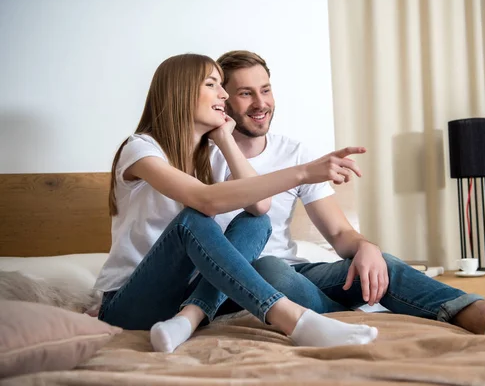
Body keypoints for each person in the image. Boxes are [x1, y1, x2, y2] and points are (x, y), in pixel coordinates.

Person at [210, 50, 485, 338]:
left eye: (266, 89)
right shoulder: (200, 156)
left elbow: (338, 234)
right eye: (246, 93)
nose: (261, 102)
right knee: (268, 266)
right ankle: (350, 313)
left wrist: (367, 248)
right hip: (231, 286)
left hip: (297, 275)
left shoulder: (295, 153)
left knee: (384, 264)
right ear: (224, 100)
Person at [93, 53, 379, 354]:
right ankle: (293, 319)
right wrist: (303, 173)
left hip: (180, 301)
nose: (224, 94)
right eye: (212, 84)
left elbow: (261, 206)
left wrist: (225, 141)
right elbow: (204, 200)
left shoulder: (212, 157)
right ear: (181, 90)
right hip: (130, 303)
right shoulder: (140, 149)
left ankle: (188, 319)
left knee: (255, 222)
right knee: (194, 220)